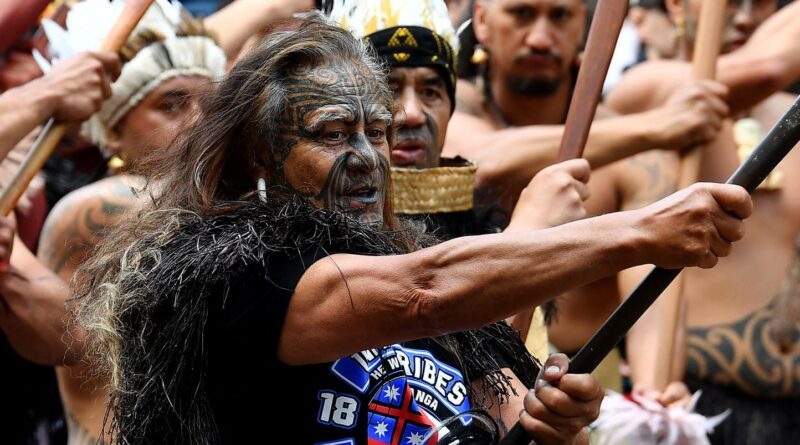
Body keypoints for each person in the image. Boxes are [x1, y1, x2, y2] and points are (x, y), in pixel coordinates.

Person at [71, 12, 753, 444]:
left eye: (376, 132)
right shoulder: (230, 277)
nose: (368, 156)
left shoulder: (419, 266)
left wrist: (560, 426)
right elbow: (424, 291)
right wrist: (639, 232)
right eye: (334, 134)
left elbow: (513, 411)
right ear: (259, 154)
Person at [331, 0, 590, 358]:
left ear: (451, 107)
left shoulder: (486, 230)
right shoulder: (320, 237)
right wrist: (525, 235)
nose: (413, 114)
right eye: (388, 89)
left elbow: (515, 387)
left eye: (430, 91)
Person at [605, 0, 800, 442]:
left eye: (762, 1)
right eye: (731, 1)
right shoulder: (648, 94)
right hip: (700, 405)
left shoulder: (792, 112)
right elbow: (765, 67)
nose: (747, 15)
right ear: (676, 6)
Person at [443, 0, 729, 214]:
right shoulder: (451, 103)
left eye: (560, 16)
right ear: (481, 20)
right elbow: (479, 161)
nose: (540, 40)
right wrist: (661, 125)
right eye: (522, 14)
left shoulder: (634, 158)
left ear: (583, 25)